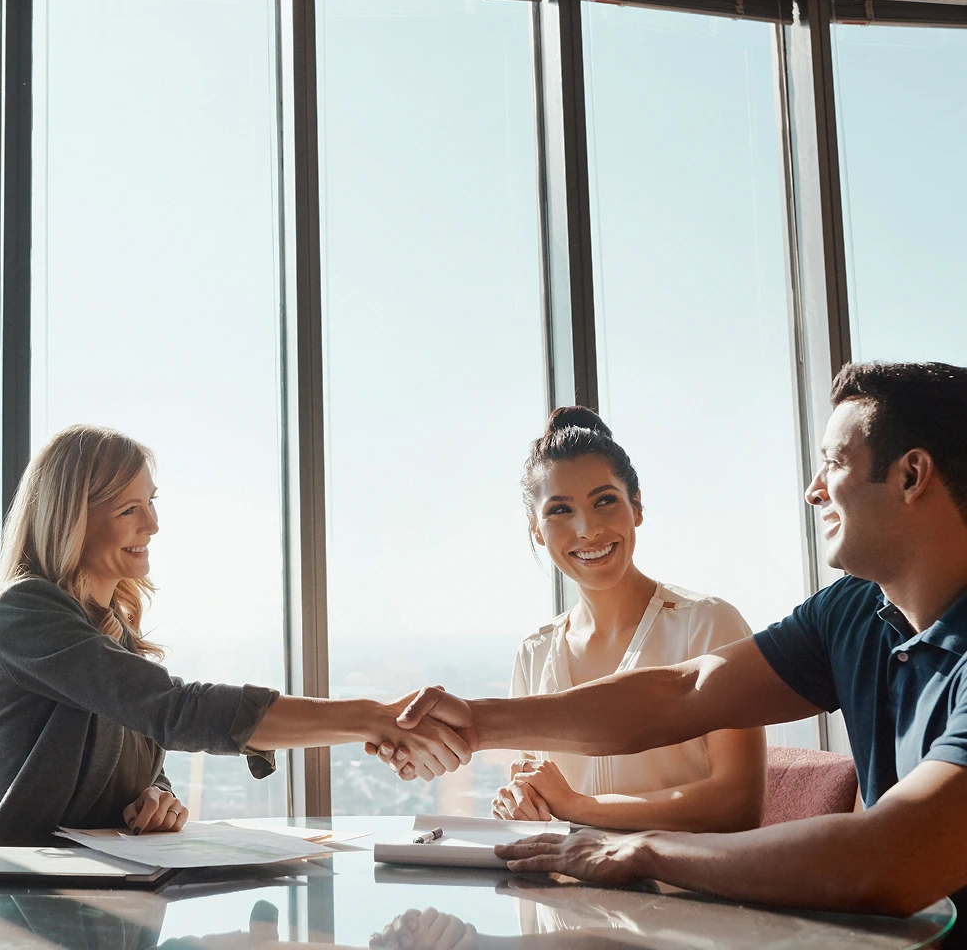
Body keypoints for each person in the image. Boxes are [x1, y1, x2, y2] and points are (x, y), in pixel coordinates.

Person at [380, 362, 967, 940]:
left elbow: (889, 859)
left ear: (911, 474)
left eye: (833, 463)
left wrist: (645, 849)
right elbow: (683, 692)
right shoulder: (853, 611)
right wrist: (474, 722)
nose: (813, 491)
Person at [0, 424, 470, 846]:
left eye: (151, 501)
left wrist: (156, 797)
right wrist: (372, 718)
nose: (153, 523)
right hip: (31, 901)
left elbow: (133, 747)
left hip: (108, 892)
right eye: (129, 509)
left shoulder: (115, 634)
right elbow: (171, 708)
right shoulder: (26, 612)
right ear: (70, 520)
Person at [492, 408, 764, 832]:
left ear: (636, 505)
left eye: (605, 501)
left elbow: (738, 805)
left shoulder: (709, 625)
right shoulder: (535, 652)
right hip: (565, 891)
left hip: (682, 893)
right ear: (536, 530)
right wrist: (520, 804)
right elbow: (538, 797)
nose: (587, 530)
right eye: (560, 511)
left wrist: (579, 806)